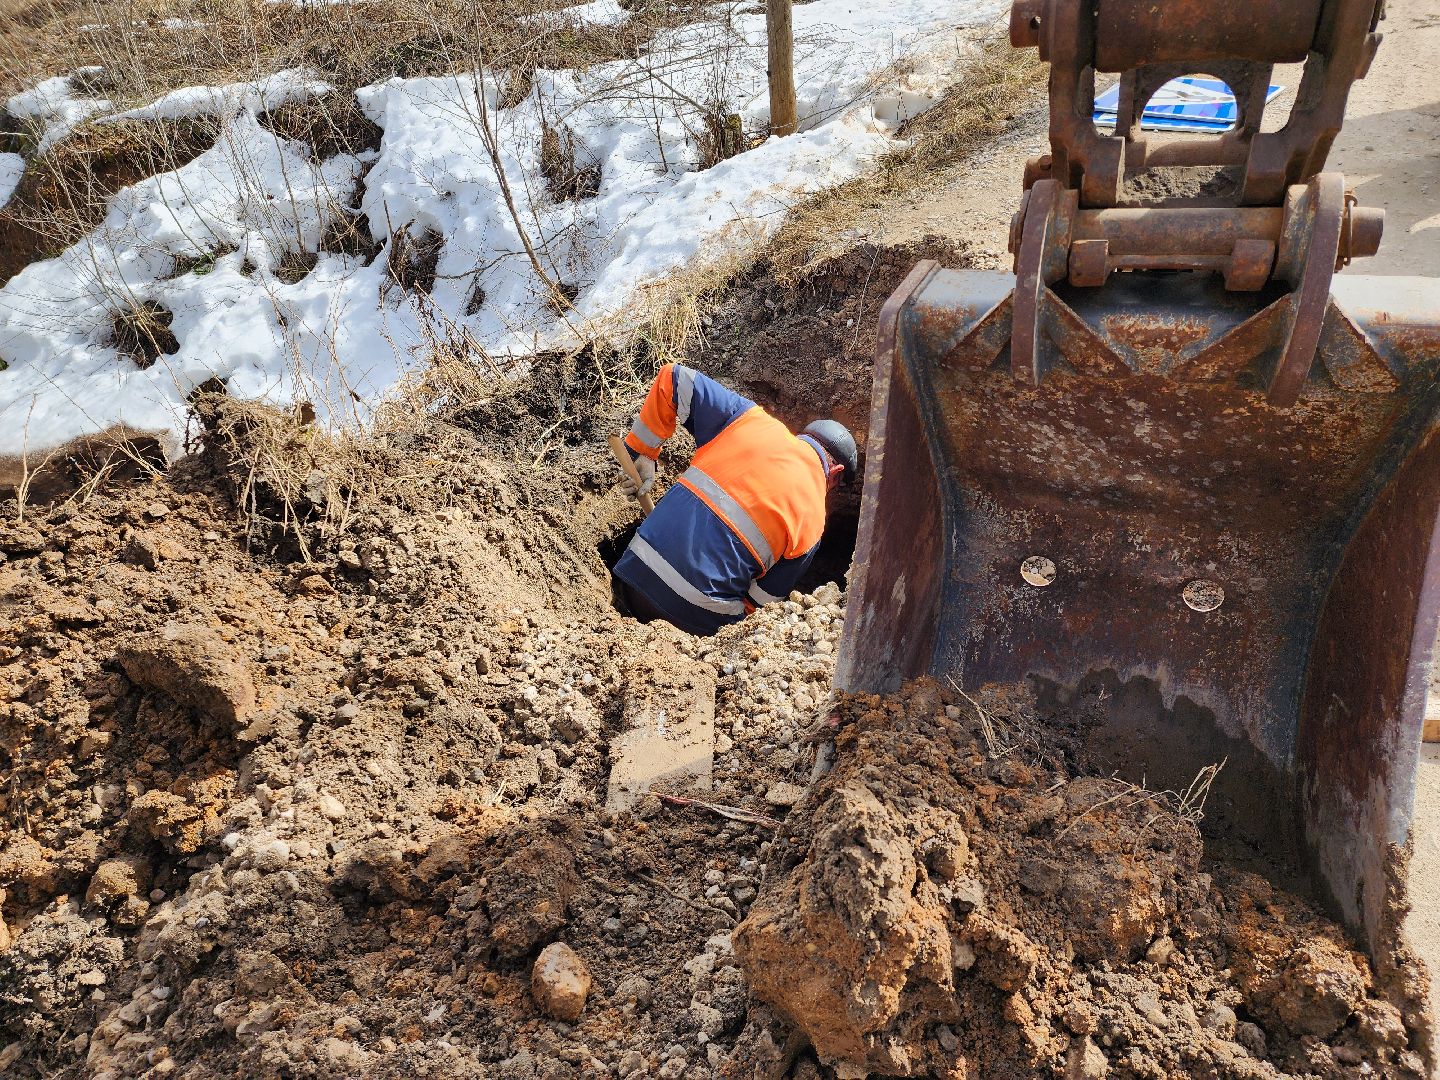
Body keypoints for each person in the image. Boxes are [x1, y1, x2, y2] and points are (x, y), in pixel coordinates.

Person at [611, 362, 858, 636]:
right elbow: (760, 606)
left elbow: (674, 378)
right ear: (835, 472)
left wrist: (642, 453)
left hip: (634, 580)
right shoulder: (813, 525)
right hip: (694, 625)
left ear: (804, 435)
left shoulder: (749, 420)